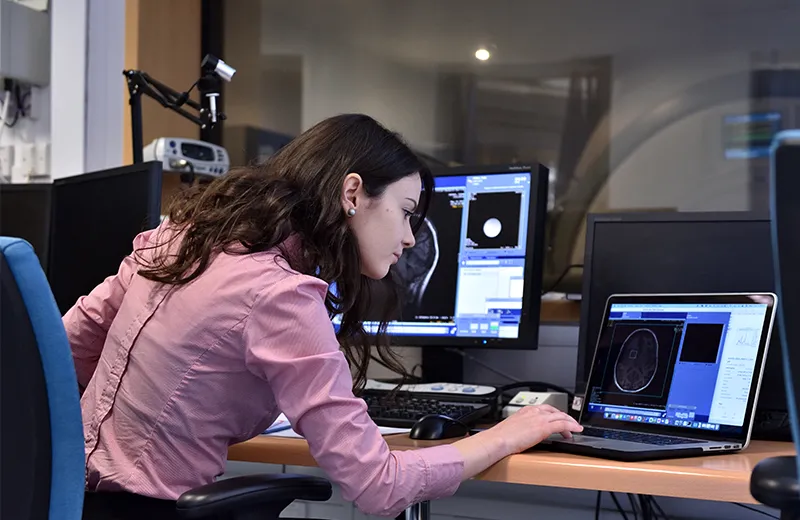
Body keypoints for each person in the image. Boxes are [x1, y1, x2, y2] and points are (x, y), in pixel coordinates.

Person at [66, 114, 582, 519]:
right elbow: (380, 486)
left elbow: (67, 349)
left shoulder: (180, 238)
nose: (408, 237)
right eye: (405, 212)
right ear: (352, 192)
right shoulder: (280, 295)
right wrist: (507, 434)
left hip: (65, 499)